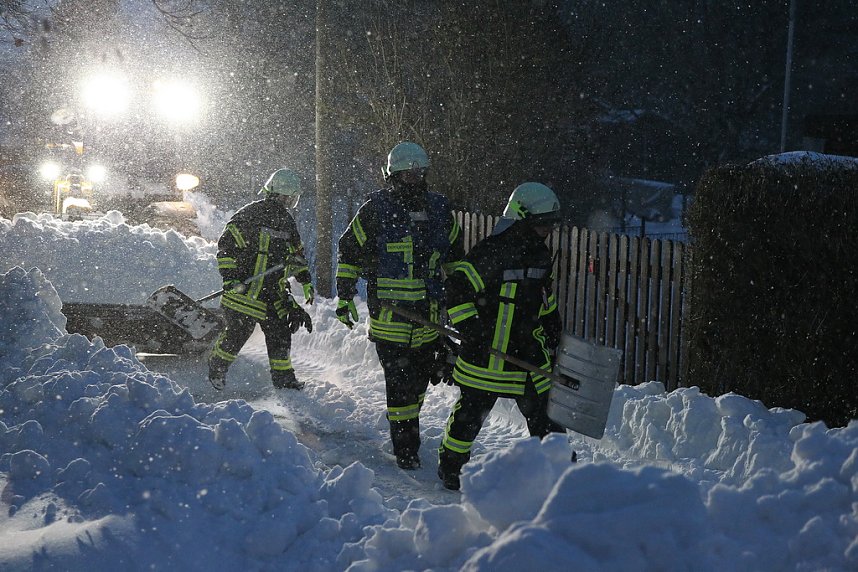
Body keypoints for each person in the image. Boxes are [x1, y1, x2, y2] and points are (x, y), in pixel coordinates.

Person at [335, 141, 465, 470]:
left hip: (428, 319)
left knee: (420, 379)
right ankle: (405, 447)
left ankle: (408, 430)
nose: (413, 180)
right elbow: (349, 249)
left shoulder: (439, 210)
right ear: (393, 176)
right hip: (391, 318)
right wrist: (345, 294)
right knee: (399, 383)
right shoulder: (375, 209)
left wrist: (462, 302)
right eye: (408, 175)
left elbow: (455, 261)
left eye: (417, 174)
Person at [437, 182, 566, 490]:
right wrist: (472, 330)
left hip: (528, 355)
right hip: (486, 357)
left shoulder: (541, 255)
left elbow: (543, 296)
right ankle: (451, 467)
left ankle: (563, 476)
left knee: (545, 419)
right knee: (469, 417)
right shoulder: (491, 252)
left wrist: (551, 324)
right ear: (522, 217)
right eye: (542, 222)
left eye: (552, 222)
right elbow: (456, 290)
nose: (549, 229)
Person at [208, 167, 314, 392]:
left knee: (280, 334)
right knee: (238, 334)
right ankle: (216, 365)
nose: (291, 201)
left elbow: (297, 256)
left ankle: (284, 380)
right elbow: (227, 248)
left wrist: (305, 280)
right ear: (284, 195)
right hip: (243, 293)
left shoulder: (285, 221)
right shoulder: (250, 214)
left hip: (271, 294)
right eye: (290, 197)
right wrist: (231, 280)